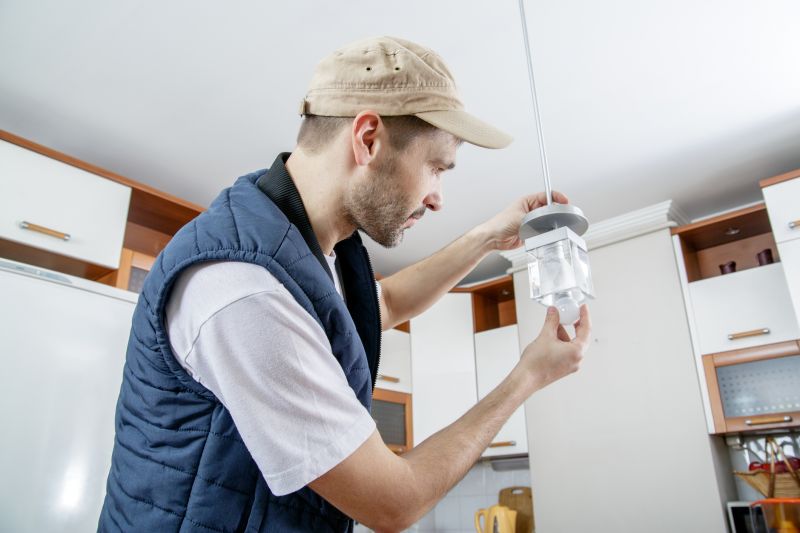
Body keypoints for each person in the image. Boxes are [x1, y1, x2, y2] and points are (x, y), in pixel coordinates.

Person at [98, 36, 591, 533]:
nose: (438, 198)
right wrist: (528, 375)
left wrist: (487, 237)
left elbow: (387, 303)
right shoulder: (246, 291)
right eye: (436, 168)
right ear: (368, 139)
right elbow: (393, 503)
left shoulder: (302, 241)